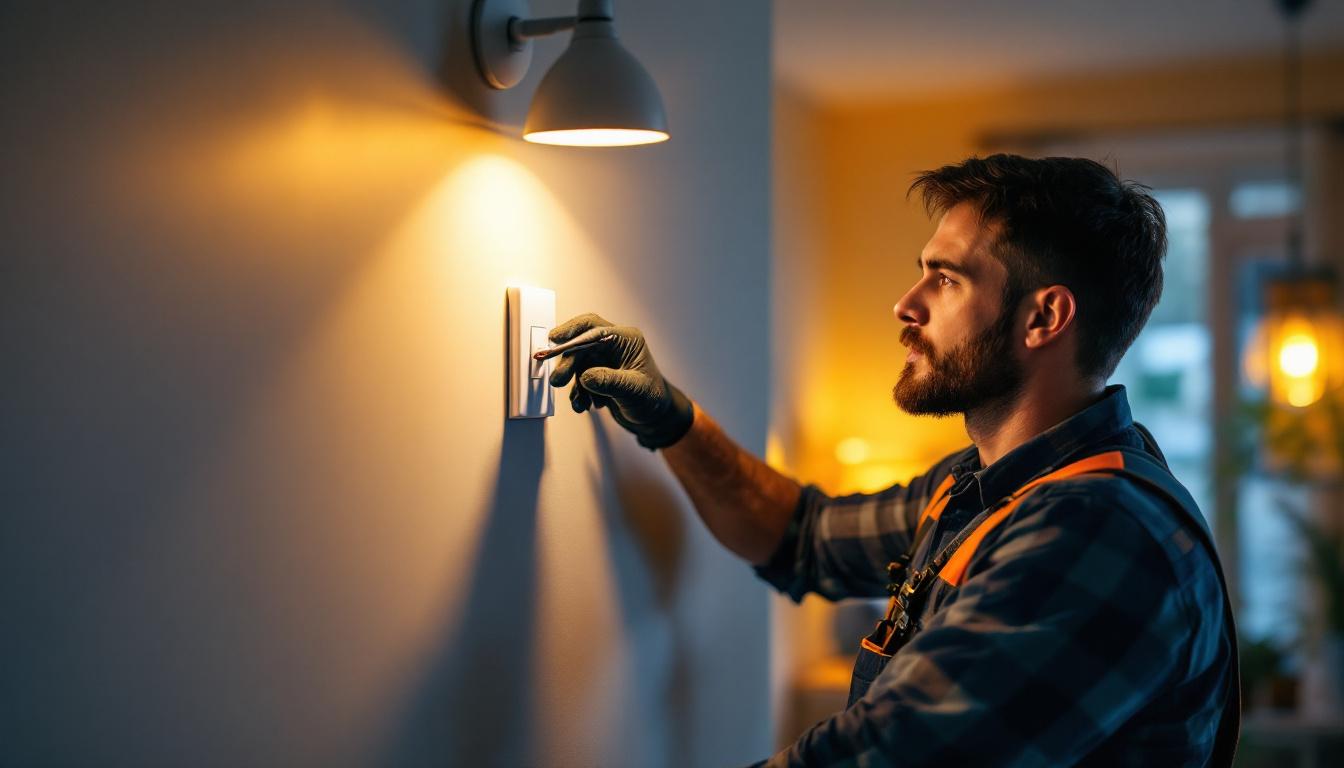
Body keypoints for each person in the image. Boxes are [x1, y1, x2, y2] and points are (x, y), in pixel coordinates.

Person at [545, 154, 1239, 767]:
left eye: (946, 279)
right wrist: (673, 419)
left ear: (1043, 319)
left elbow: (890, 754)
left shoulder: (1098, 529)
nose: (905, 304)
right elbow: (802, 535)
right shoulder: (979, 484)